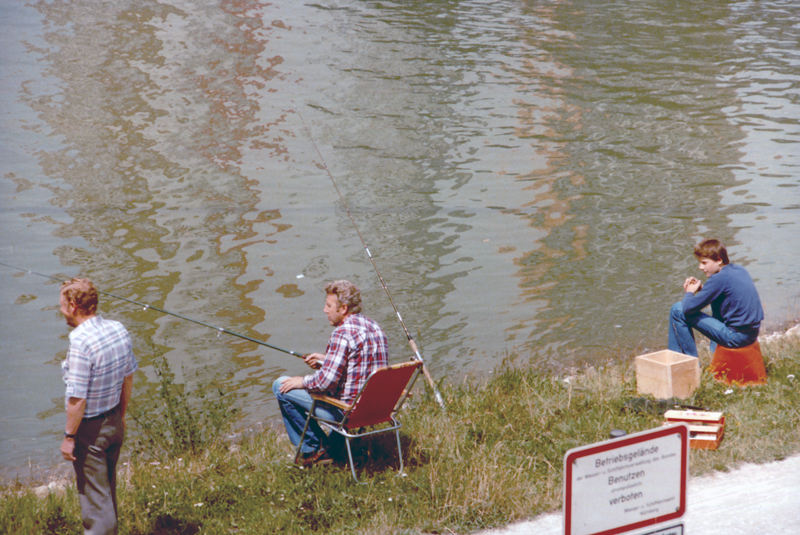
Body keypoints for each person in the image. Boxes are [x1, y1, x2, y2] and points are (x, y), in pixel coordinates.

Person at [272, 280, 389, 466]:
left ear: (343, 308)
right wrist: (326, 360)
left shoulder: (342, 334)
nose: (324, 310)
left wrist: (301, 381)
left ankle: (316, 449)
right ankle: (336, 445)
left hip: (348, 412)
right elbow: (361, 366)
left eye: (328, 306)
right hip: (376, 409)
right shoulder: (374, 327)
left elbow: (325, 383)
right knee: (293, 384)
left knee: (280, 385)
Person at [59, 278, 138, 535]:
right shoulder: (118, 329)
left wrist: (69, 437)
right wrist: (121, 416)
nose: (60, 311)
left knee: (95, 505)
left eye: (61, 305)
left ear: (72, 305)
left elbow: (77, 399)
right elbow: (128, 376)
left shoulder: (81, 342)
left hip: (90, 431)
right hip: (114, 420)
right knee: (105, 495)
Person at [668, 239, 764, 357]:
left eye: (704, 262)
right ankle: (715, 354)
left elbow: (687, 308)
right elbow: (726, 292)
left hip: (736, 338)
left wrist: (689, 292)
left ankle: (684, 362)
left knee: (677, 310)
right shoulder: (739, 270)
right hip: (751, 333)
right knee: (717, 301)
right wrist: (702, 288)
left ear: (719, 259)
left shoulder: (718, 279)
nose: (700, 267)